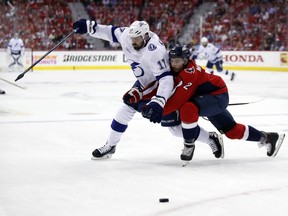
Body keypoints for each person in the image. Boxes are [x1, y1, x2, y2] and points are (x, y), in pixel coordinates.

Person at [143, 44, 285, 164]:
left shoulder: (189, 73)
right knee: (232, 131)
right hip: (205, 99)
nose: (174, 64)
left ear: (186, 60)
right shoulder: (176, 68)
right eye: (172, 60)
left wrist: (158, 109)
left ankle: (189, 145)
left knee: (188, 108)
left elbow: (178, 100)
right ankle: (268, 138)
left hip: (217, 97)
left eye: (178, 61)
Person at [73, 19, 174, 159]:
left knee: (173, 126)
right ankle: (110, 146)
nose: (133, 42)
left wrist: (160, 101)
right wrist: (90, 27)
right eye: (132, 38)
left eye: (137, 38)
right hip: (143, 83)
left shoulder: (156, 50)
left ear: (145, 36)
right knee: (124, 110)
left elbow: (166, 79)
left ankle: (207, 138)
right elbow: (109, 32)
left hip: (158, 86)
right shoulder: (127, 35)